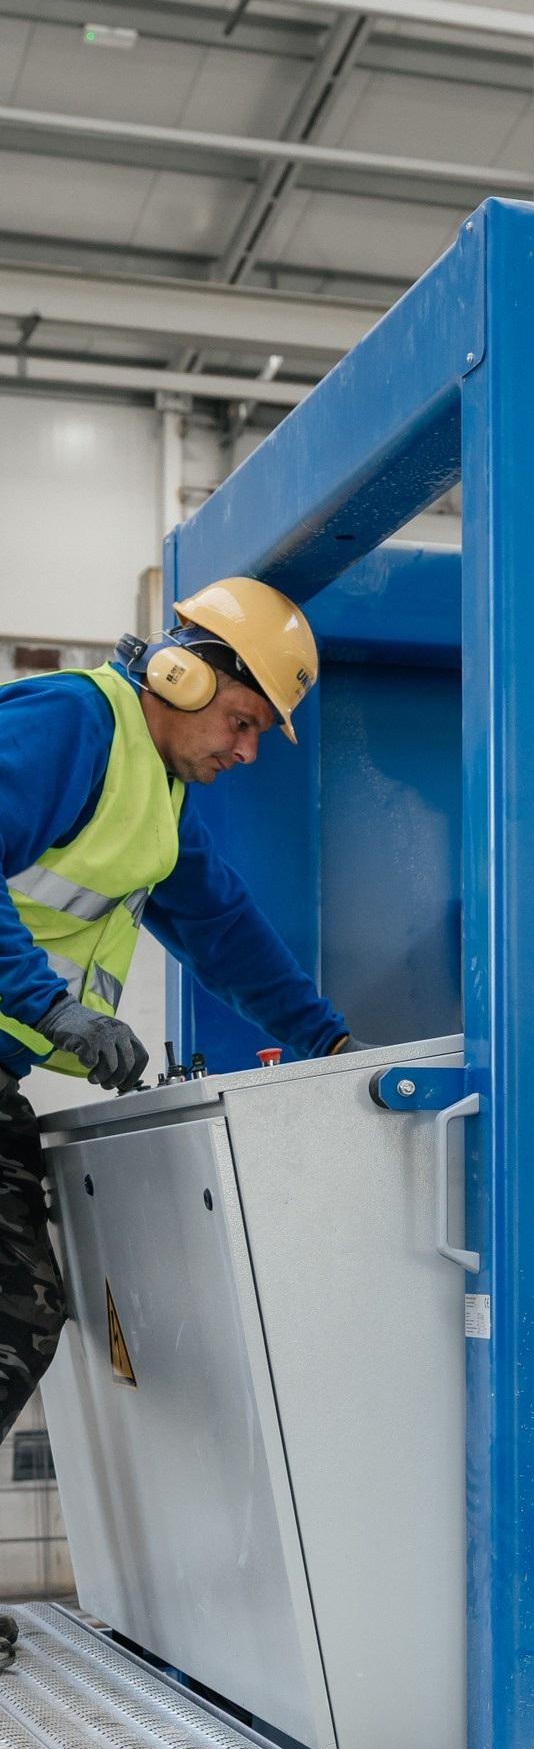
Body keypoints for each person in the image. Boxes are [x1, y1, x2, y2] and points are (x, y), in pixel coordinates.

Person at [0, 577, 358, 1443]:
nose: (248, 751)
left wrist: (331, 1044)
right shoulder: (71, 723)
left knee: (21, 1315)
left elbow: (223, 929)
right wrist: (49, 1008)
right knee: (15, 1318)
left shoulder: (155, 793)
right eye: (242, 721)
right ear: (181, 676)